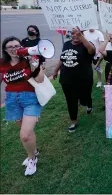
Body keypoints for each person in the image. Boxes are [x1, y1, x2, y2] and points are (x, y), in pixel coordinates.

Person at [0, 36, 46, 176]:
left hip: (30, 98)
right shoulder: (2, 63)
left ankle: (32, 159)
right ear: (5, 50)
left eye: (16, 46)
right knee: (26, 131)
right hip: (12, 100)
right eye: (10, 47)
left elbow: (40, 79)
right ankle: (34, 151)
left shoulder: (29, 60)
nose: (14, 49)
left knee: (25, 135)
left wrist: (35, 65)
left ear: (21, 47)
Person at [52, 27, 96, 132]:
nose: (75, 35)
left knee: (84, 99)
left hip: (83, 79)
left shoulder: (87, 44)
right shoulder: (67, 44)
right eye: (73, 33)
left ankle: (88, 103)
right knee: (71, 101)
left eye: (78, 33)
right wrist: (55, 70)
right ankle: (73, 121)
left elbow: (92, 50)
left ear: (82, 34)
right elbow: (63, 58)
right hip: (67, 79)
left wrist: (82, 38)